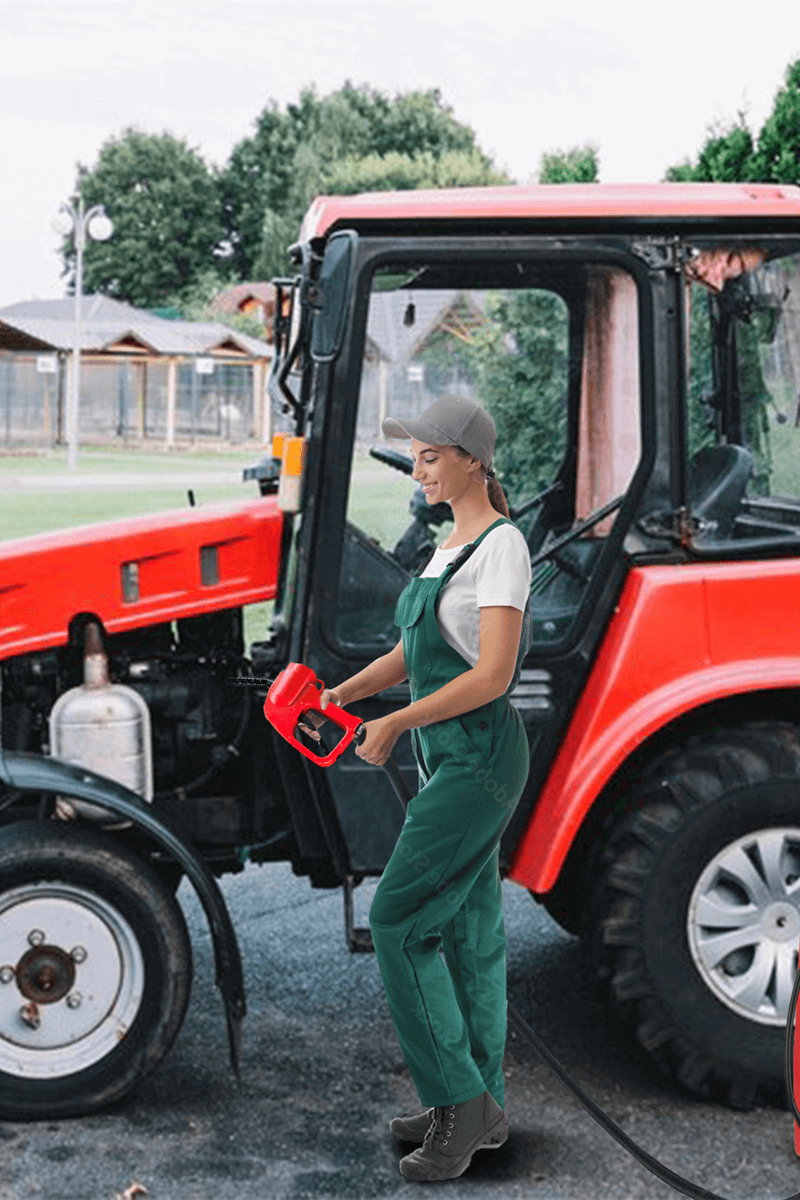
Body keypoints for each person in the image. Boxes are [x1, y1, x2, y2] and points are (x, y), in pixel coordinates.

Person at [317, 394, 531, 1182]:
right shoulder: (453, 547)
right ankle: (481, 1107)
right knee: (471, 932)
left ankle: (460, 1103)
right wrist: (344, 693)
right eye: (417, 454)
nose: (419, 467)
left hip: (479, 759)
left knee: (398, 919)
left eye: (432, 455)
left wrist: (399, 723)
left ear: (473, 459)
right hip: (451, 756)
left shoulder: (501, 548)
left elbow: (494, 673)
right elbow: (417, 651)